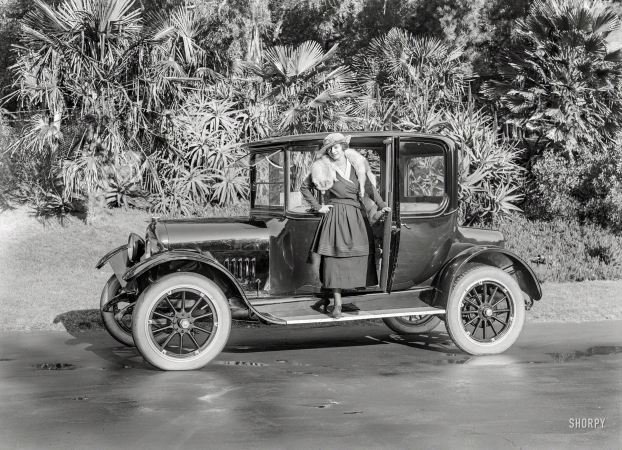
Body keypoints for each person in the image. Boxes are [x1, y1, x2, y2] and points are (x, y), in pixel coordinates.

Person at [300, 133, 391, 319]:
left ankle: (350, 296)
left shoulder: (357, 165)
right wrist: (319, 207)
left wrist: (382, 205)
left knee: (359, 256)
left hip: (356, 216)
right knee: (334, 262)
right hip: (335, 217)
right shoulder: (322, 168)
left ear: (343, 147)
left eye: (336, 147)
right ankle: (337, 304)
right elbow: (304, 187)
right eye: (330, 148)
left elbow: (370, 190)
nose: (333, 151)